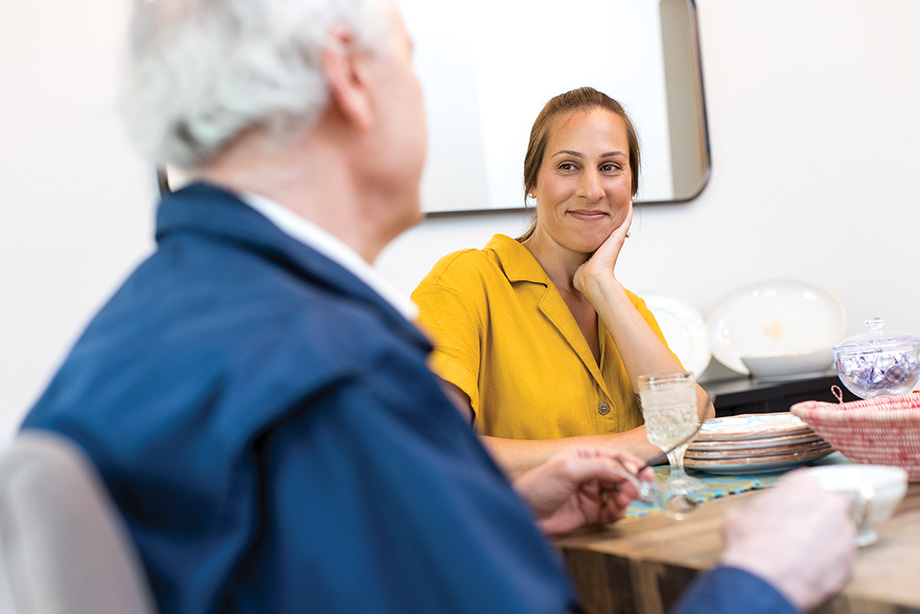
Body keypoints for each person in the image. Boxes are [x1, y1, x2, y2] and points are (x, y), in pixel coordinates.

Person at [18, 0, 855, 612]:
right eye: (414, 63)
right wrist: (763, 582)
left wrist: (489, 508)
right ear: (350, 77)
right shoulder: (331, 374)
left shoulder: (166, 318)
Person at [412, 87, 714, 478]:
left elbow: (693, 421)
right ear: (532, 182)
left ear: (632, 188)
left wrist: (602, 285)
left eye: (610, 167)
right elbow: (432, 443)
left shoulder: (626, 307)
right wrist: (627, 447)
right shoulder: (464, 282)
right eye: (568, 166)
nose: (592, 190)